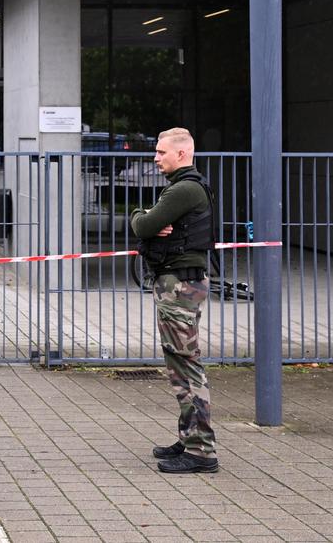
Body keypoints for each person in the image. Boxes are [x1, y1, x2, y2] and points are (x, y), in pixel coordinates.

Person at [130, 127, 219, 474]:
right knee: (179, 364)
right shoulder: (188, 187)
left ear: (181, 154)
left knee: (185, 365)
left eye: (161, 152)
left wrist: (141, 216)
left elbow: (144, 225)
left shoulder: (184, 190)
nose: (156, 157)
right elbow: (153, 225)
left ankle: (201, 452)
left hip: (180, 286)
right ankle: (190, 436)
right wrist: (151, 222)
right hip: (182, 284)